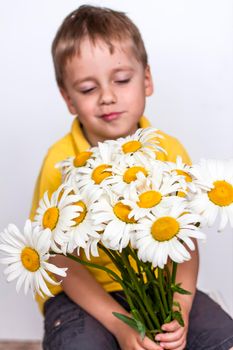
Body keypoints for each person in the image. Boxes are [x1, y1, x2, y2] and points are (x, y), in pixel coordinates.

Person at [30, 5, 233, 350]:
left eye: (121, 80)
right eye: (88, 88)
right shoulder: (61, 164)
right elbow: (61, 262)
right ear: (68, 99)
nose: (108, 96)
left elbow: (183, 240)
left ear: (147, 80)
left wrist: (178, 307)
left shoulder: (167, 151)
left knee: (222, 339)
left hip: (163, 286)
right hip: (83, 295)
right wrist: (123, 327)